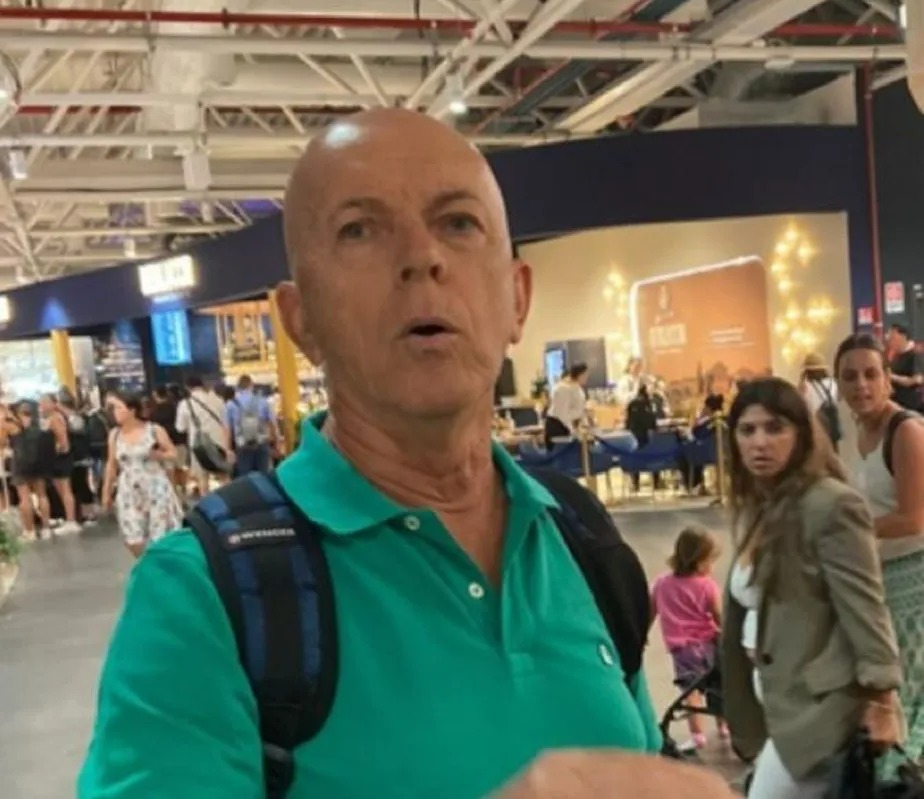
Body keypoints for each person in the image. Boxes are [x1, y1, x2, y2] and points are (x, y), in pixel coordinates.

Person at [78, 109, 736, 799]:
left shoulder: (580, 539)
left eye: (458, 223)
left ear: (517, 298)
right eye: (359, 229)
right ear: (301, 319)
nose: (423, 257)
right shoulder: (202, 595)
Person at [722, 377, 903, 799]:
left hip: (821, 710)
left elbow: (866, 609)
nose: (760, 442)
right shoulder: (759, 506)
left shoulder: (831, 505)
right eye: (747, 430)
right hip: (778, 705)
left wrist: (882, 700)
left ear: (801, 434)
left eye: (775, 428)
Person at [835, 332, 924, 775]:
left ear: (888, 379)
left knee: (909, 692)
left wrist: (848, 533)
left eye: (871, 374)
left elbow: (914, 518)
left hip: (914, 579)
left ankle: (904, 779)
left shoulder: (905, 431)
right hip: (878, 576)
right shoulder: (861, 430)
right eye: (850, 376)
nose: (862, 385)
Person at [650, 525, 726, 750]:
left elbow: (650, 611)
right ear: (697, 561)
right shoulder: (707, 586)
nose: (712, 566)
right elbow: (718, 615)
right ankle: (724, 725)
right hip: (710, 643)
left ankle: (698, 735)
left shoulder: (662, 584)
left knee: (691, 690)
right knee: (717, 685)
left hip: (683, 650)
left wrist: (641, 634)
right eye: (709, 561)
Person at [100, 392, 181, 559]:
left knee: (160, 534)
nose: (115, 412)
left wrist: (160, 455)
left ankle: (158, 565)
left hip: (155, 487)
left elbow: (173, 453)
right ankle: (147, 562)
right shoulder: (115, 435)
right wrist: (106, 491)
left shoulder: (153, 430)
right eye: (113, 409)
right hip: (129, 489)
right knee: (132, 537)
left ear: (132, 410)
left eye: (119, 408)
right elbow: (111, 464)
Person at [1, 402, 53, 540]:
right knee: (42, 495)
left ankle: (29, 531)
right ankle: (46, 529)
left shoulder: (9, 424)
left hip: (20, 461)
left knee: (25, 497)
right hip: (38, 460)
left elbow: (1, 443)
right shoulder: (39, 422)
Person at [175, 375, 232, 497]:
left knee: (202, 478)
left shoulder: (185, 404)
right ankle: (230, 500)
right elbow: (226, 422)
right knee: (224, 476)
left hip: (199, 445)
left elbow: (180, 428)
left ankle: (207, 504)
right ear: (202, 385)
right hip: (219, 442)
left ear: (187, 387)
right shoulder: (218, 400)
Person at [38, 392, 80, 534]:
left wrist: (54, 452)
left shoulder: (56, 418)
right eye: (41, 402)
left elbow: (63, 442)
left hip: (61, 459)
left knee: (65, 489)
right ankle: (68, 518)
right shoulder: (50, 418)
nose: (42, 405)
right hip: (57, 459)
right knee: (60, 489)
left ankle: (71, 520)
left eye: (45, 402)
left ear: (53, 404)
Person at [226, 375, 276, 474]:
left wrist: (228, 449)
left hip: (242, 445)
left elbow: (227, 428)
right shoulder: (263, 401)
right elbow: (272, 424)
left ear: (238, 387)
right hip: (261, 443)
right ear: (251, 386)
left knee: (245, 476)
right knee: (263, 475)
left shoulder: (230, 404)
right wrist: (276, 443)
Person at [798, 352, 841, 449]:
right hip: (832, 425)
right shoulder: (833, 383)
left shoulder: (806, 386)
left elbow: (800, 404)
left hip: (816, 426)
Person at [543, 362, 588, 448]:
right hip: (559, 426)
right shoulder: (563, 388)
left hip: (567, 424)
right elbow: (562, 413)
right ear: (580, 375)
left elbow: (579, 407)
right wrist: (572, 430)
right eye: (585, 375)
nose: (586, 378)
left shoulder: (575, 387)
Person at [887, 324, 923, 412]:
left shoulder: (914, 355)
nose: (890, 340)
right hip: (896, 402)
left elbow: (916, 380)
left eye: (893, 337)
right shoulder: (896, 356)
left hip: (909, 405)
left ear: (903, 337)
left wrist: (892, 376)